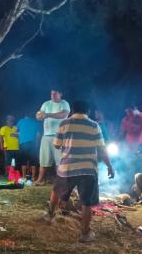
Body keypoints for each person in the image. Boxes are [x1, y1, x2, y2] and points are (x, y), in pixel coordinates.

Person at [42, 100, 114, 242]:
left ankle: (50, 215)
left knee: (56, 191)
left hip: (67, 168)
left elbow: (56, 145)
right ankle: (85, 234)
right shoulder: (94, 126)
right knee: (87, 203)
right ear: (87, 111)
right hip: (88, 170)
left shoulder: (64, 124)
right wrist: (109, 166)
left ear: (73, 110)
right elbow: (102, 149)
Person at [35, 88, 70, 185]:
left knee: (59, 160)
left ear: (61, 94)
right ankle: (40, 180)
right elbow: (39, 114)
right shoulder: (46, 104)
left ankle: (60, 181)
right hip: (46, 135)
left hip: (60, 135)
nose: (53, 96)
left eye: (55, 94)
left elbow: (63, 114)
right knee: (44, 159)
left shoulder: (64, 103)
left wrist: (48, 114)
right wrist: (39, 116)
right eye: (51, 94)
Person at [16, 114, 41, 180]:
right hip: (32, 144)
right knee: (33, 161)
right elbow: (38, 135)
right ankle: (33, 177)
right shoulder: (35, 122)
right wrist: (37, 144)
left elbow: (16, 130)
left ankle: (24, 177)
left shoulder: (21, 121)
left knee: (23, 161)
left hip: (23, 144)